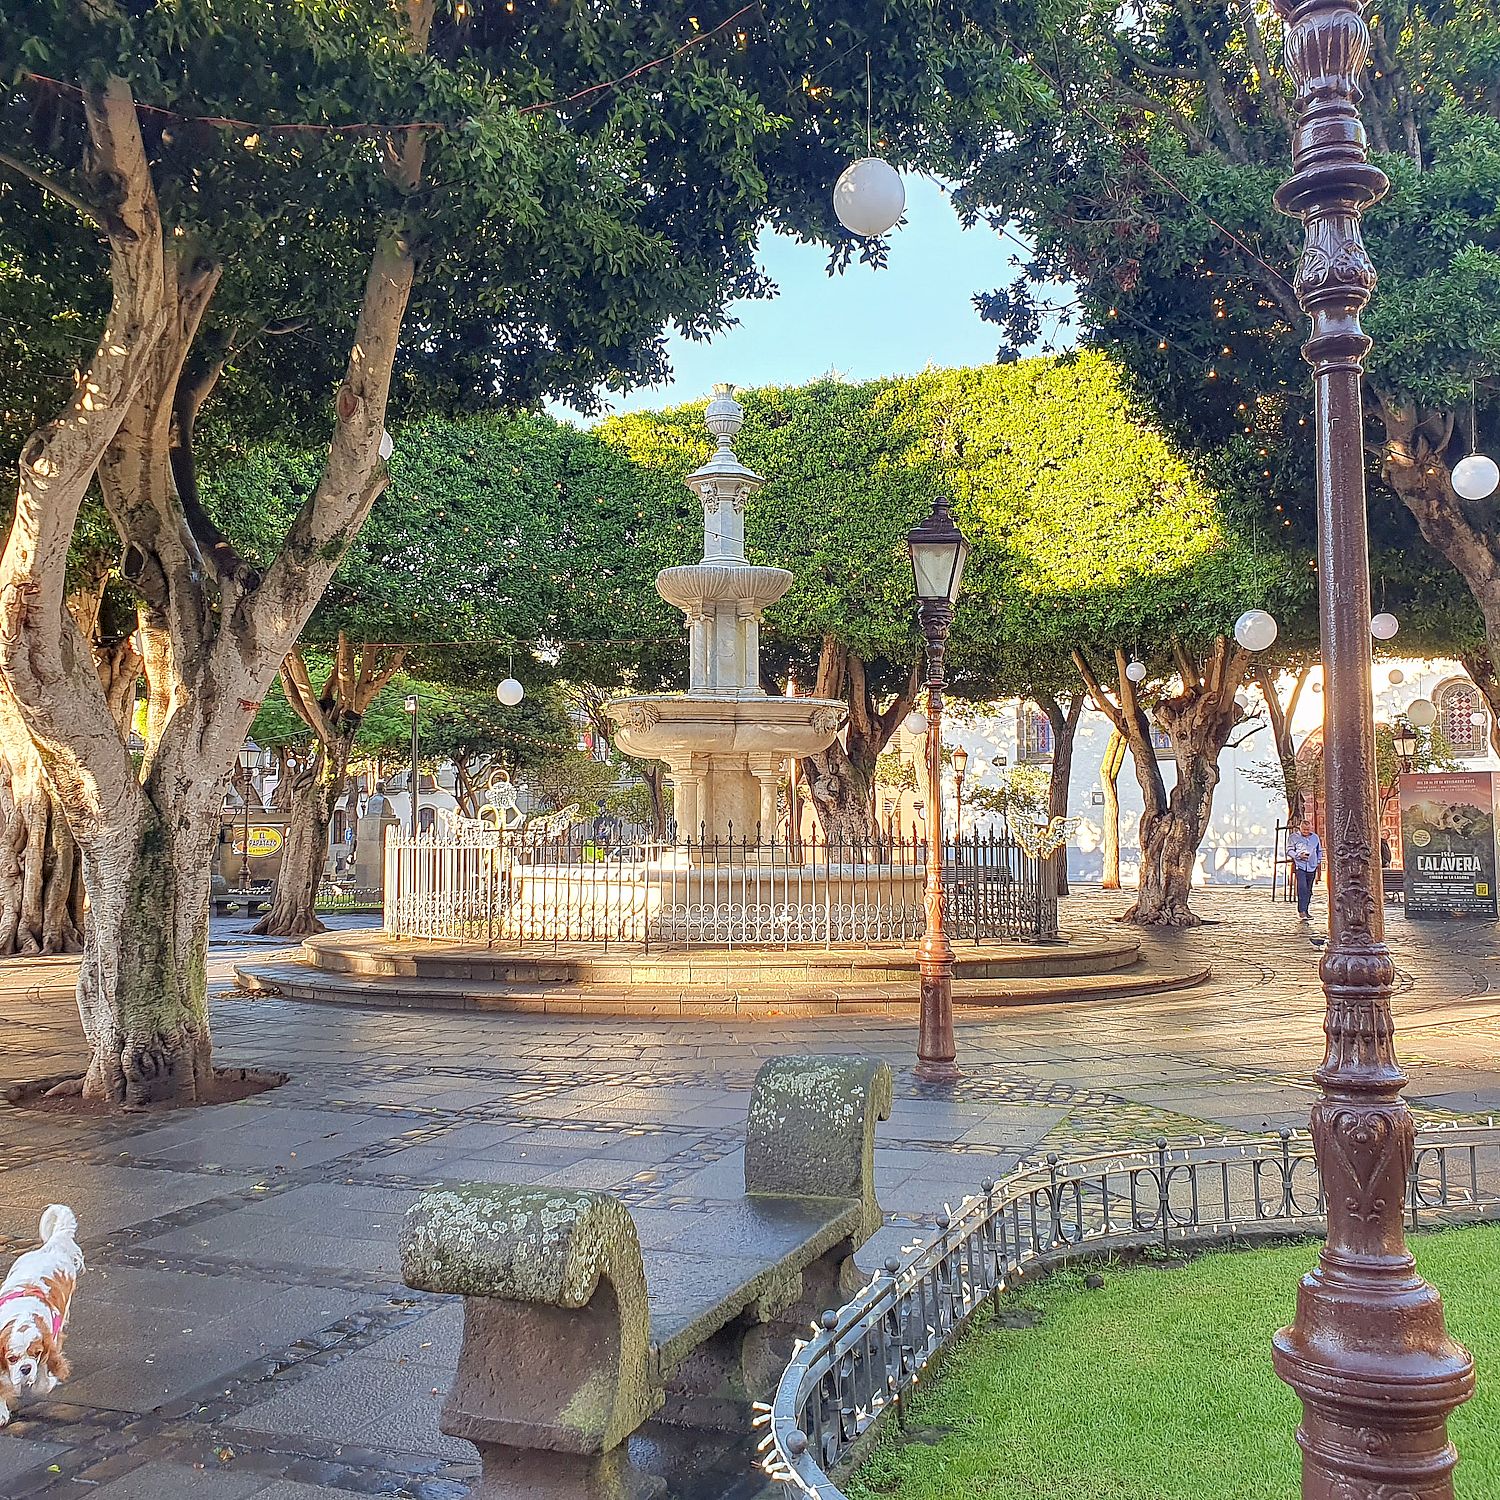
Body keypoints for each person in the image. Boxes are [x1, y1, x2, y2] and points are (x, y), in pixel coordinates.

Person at [1287, 816, 1323, 919]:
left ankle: (1306, 910)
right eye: (1304, 829)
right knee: (1302, 888)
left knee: (1309, 890)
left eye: (1308, 829)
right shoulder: (1294, 837)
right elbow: (1289, 850)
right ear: (1300, 828)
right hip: (1300, 866)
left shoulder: (1315, 837)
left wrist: (1318, 861)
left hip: (1312, 866)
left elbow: (1319, 850)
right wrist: (1298, 856)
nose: (1306, 831)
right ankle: (1301, 911)